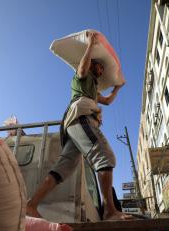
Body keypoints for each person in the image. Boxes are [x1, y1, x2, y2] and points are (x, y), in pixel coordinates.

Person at [26, 32, 133, 221]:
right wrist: (90, 45)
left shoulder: (93, 88)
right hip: (81, 118)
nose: (102, 70)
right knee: (105, 156)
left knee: (62, 170)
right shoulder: (81, 77)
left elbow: (107, 101)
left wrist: (117, 87)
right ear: (92, 64)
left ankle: (31, 205)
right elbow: (82, 69)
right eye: (100, 66)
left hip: (75, 125)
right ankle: (109, 210)